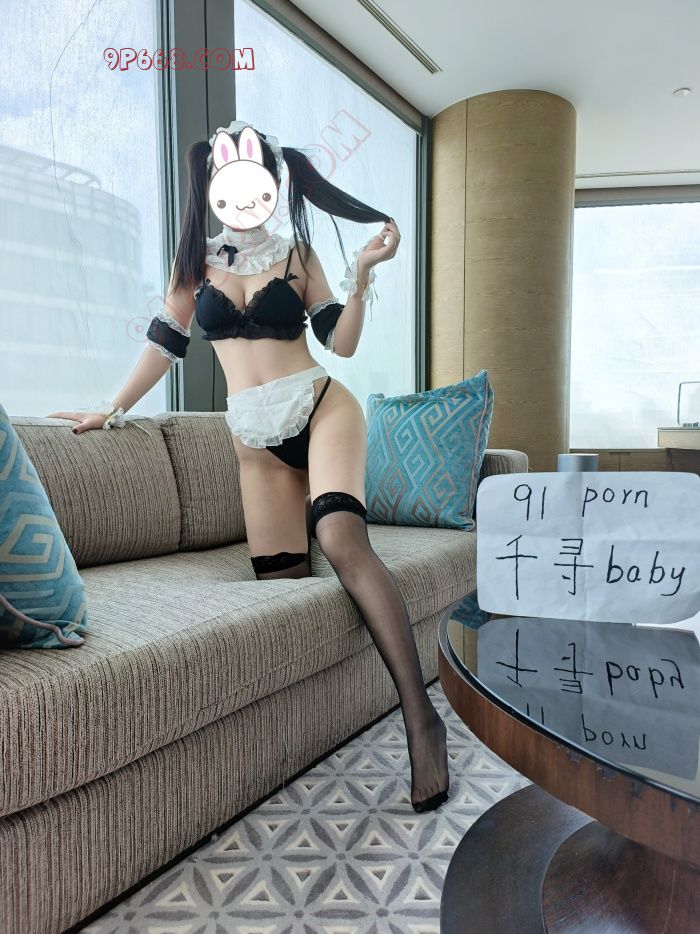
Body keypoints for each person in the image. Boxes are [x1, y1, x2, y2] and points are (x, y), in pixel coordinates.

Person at [48, 120, 449, 813]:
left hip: (321, 408)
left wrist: (361, 277)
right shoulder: (195, 264)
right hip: (256, 444)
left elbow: (341, 345)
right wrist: (110, 408)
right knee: (282, 590)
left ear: (273, 182)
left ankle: (422, 722)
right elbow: (164, 343)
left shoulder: (296, 253)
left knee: (341, 539)